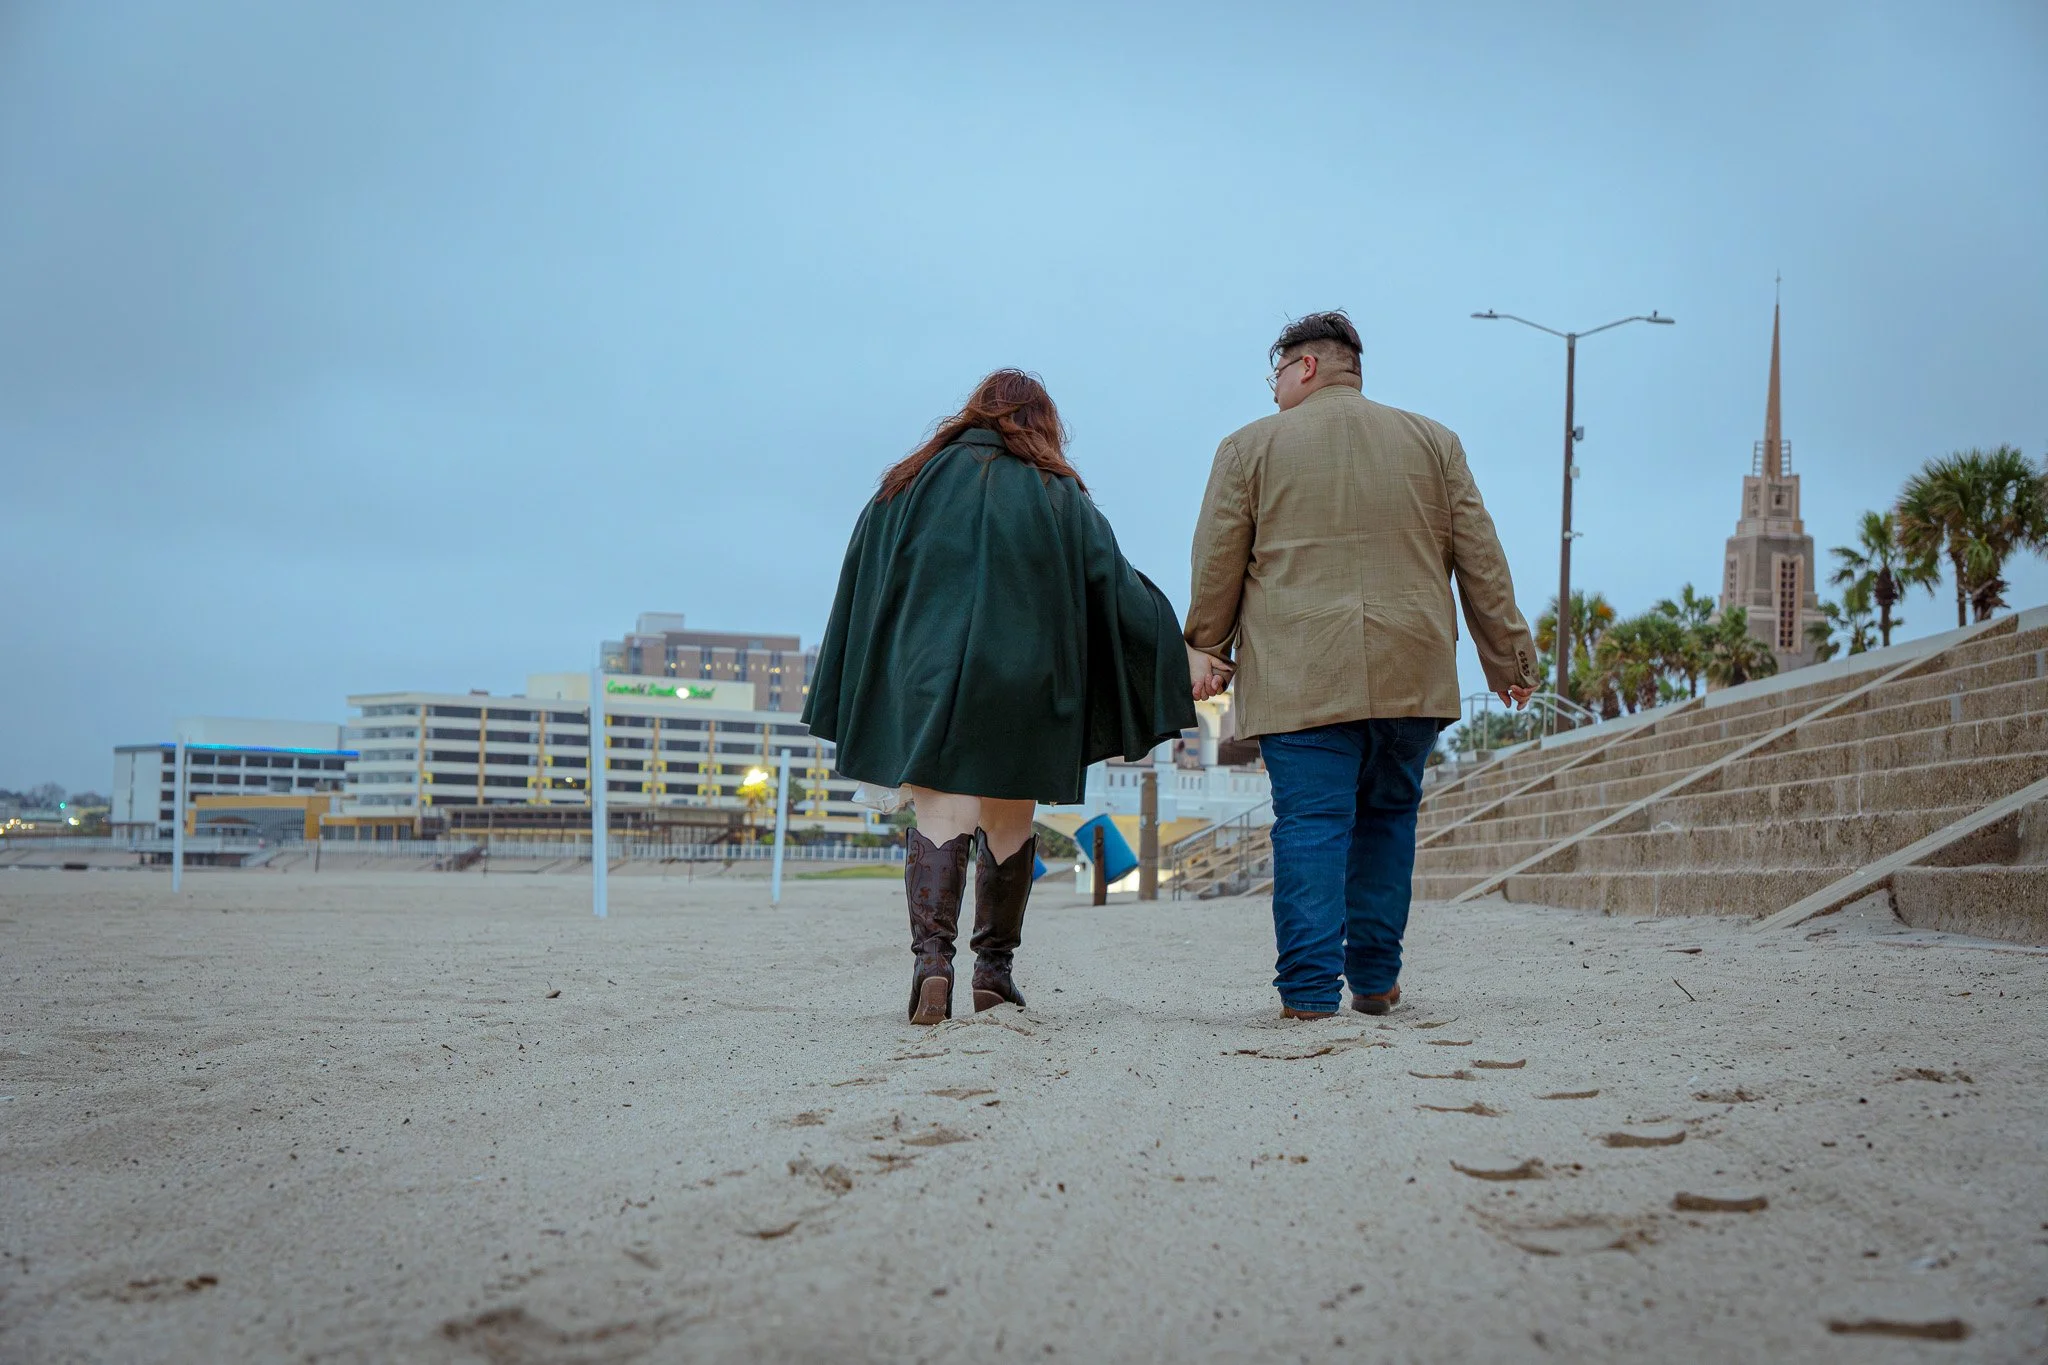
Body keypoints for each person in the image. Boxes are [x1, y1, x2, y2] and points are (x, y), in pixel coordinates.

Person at [806, 369, 1197, 1025]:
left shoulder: (906, 483)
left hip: (929, 674)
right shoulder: (1056, 491)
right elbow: (1115, 585)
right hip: (1027, 681)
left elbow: (863, 577)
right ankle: (994, 973)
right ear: (1039, 422)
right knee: (1010, 822)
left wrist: (873, 669)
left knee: (941, 816)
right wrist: (1177, 645)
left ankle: (933, 965)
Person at [1184, 311, 1537, 1019]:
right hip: (1414, 676)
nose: (1272, 388)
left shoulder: (1247, 448)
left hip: (1301, 676)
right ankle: (1375, 981)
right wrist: (1509, 658)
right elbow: (1482, 560)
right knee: (1387, 821)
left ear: (1306, 366)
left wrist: (1206, 647)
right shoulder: (1435, 442)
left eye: (1275, 374)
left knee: (1312, 823)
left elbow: (1219, 560)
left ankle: (1312, 992)